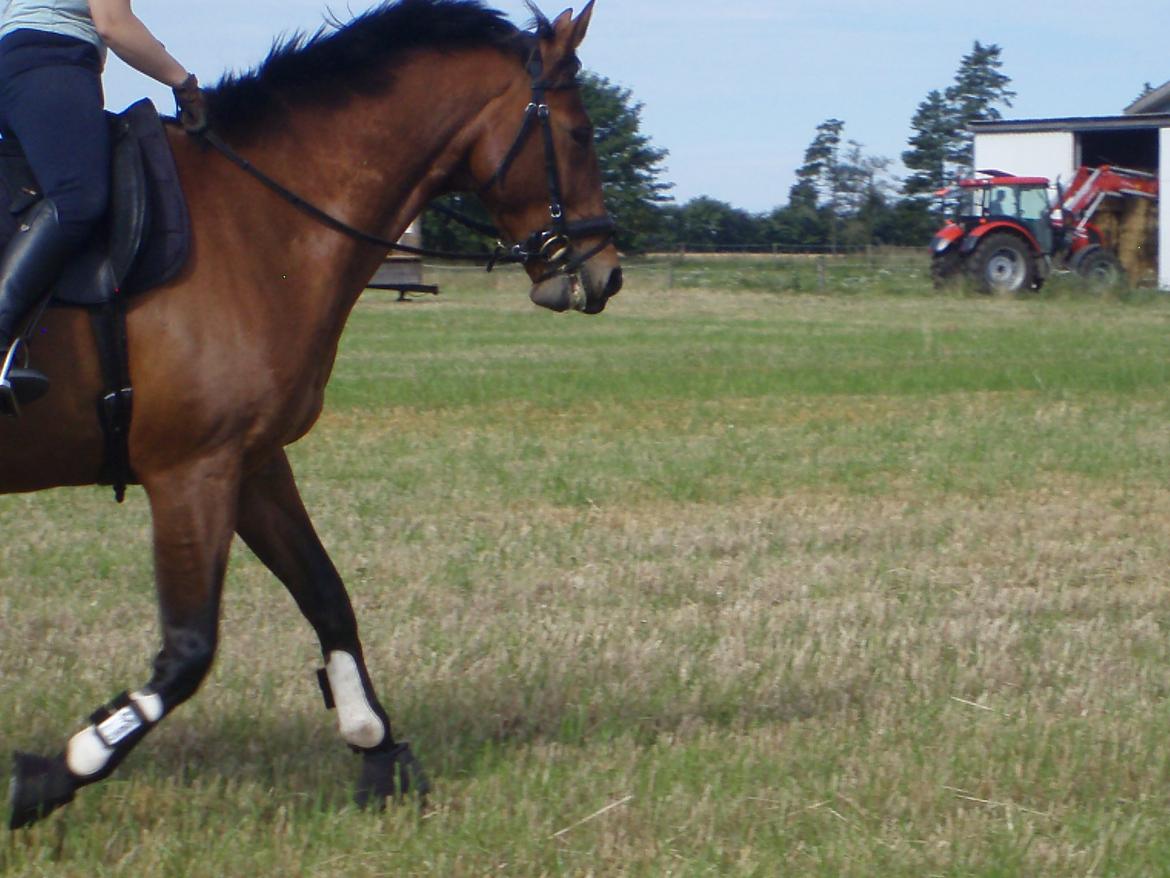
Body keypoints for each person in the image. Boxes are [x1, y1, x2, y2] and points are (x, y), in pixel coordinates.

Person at [0, 0, 206, 414]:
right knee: (78, 197)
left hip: (27, 60)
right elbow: (114, 25)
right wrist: (185, 83)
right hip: (52, 62)